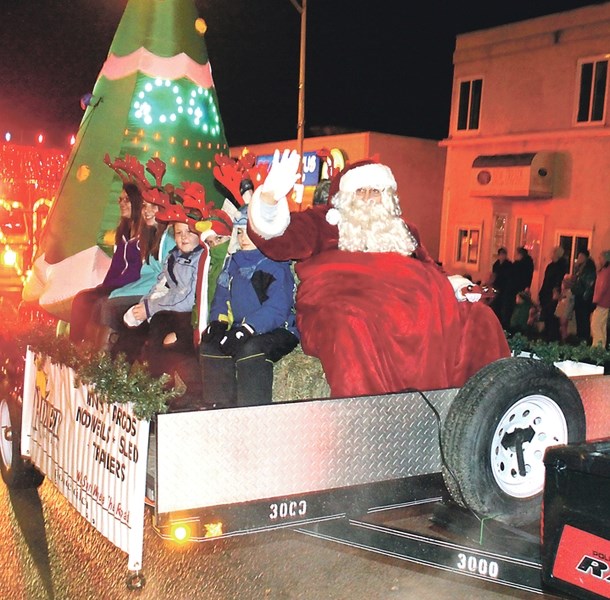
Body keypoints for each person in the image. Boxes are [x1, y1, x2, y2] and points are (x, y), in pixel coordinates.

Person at [246, 151, 510, 398]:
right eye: (360, 191)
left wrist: (457, 288)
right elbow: (279, 240)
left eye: (376, 191)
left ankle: (484, 412)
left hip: (417, 311)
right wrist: (269, 200)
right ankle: (373, 425)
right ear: (345, 197)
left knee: (479, 319)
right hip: (349, 308)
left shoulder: (403, 231)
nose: (369, 198)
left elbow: (432, 269)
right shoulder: (325, 223)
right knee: (350, 326)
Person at [199, 207, 299, 408]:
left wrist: (247, 329)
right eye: (240, 231)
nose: (244, 237)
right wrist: (218, 323)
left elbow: (278, 308)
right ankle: (220, 408)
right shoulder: (232, 264)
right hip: (241, 328)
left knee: (251, 350)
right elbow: (222, 297)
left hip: (279, 329)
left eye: (249, 232)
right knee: (211, 346)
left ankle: (252, 410)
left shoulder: (275, 265)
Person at [69, 183, 143, 344]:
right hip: (117, 285)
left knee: (98, 304)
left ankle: (99, 354)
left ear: (137, 203)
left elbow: (136, 271)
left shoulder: (143, 235)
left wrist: (110, 287)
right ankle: (76, 346)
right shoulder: (123, 232)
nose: (122, 204)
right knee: (82, 298)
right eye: (120, 199)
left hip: (132, 286)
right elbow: (116, 266)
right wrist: (104, 286)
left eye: (127, 200)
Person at [538, 246, 569, 342]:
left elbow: (559, 281)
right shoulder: (550, 266)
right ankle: (548, 335)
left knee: (553, 317)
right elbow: (546, 280)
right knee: (547, 316)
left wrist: (556, 292)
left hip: (553, 295)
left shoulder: (561, 267)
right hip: (546, 293)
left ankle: (553, 337)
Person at [571, 249, 596, 343]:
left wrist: (585, 295)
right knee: (579, 318)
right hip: (579, 295)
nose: (579, 258)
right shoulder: (580, 268)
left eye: (581, 256)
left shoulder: (589, 268)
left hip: (584, 297)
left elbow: (588, 283)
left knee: (584, 318)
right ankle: (580, 337)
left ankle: (584, 338)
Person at [489, 247, 513, 329]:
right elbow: (494, 275)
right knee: (496, 305)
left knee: (503, 305)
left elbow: (509, 277)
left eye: (504, 254)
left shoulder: (509, 265)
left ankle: (503, 324)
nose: (502, 256)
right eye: (501, 255)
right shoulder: (496, 264)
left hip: (504, 288)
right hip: (497, 286)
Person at [591, 250, 610, 349]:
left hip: (602, 302)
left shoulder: (606, 272)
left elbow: (602, 288)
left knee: (596, 325)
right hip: (604, 302)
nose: (599, 260)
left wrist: (596, 300)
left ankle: (597, 348)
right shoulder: (605, 271)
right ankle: (600, 347)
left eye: (601, 258)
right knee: (600, 325)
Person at [554, 275, 575, 342]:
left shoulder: (569, 293)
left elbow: (567, 302)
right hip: (563, 310)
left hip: (565, 311)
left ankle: (564, 340)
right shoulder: (566, 292)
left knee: (563, 326)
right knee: (562, 326)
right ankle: (564, 338)